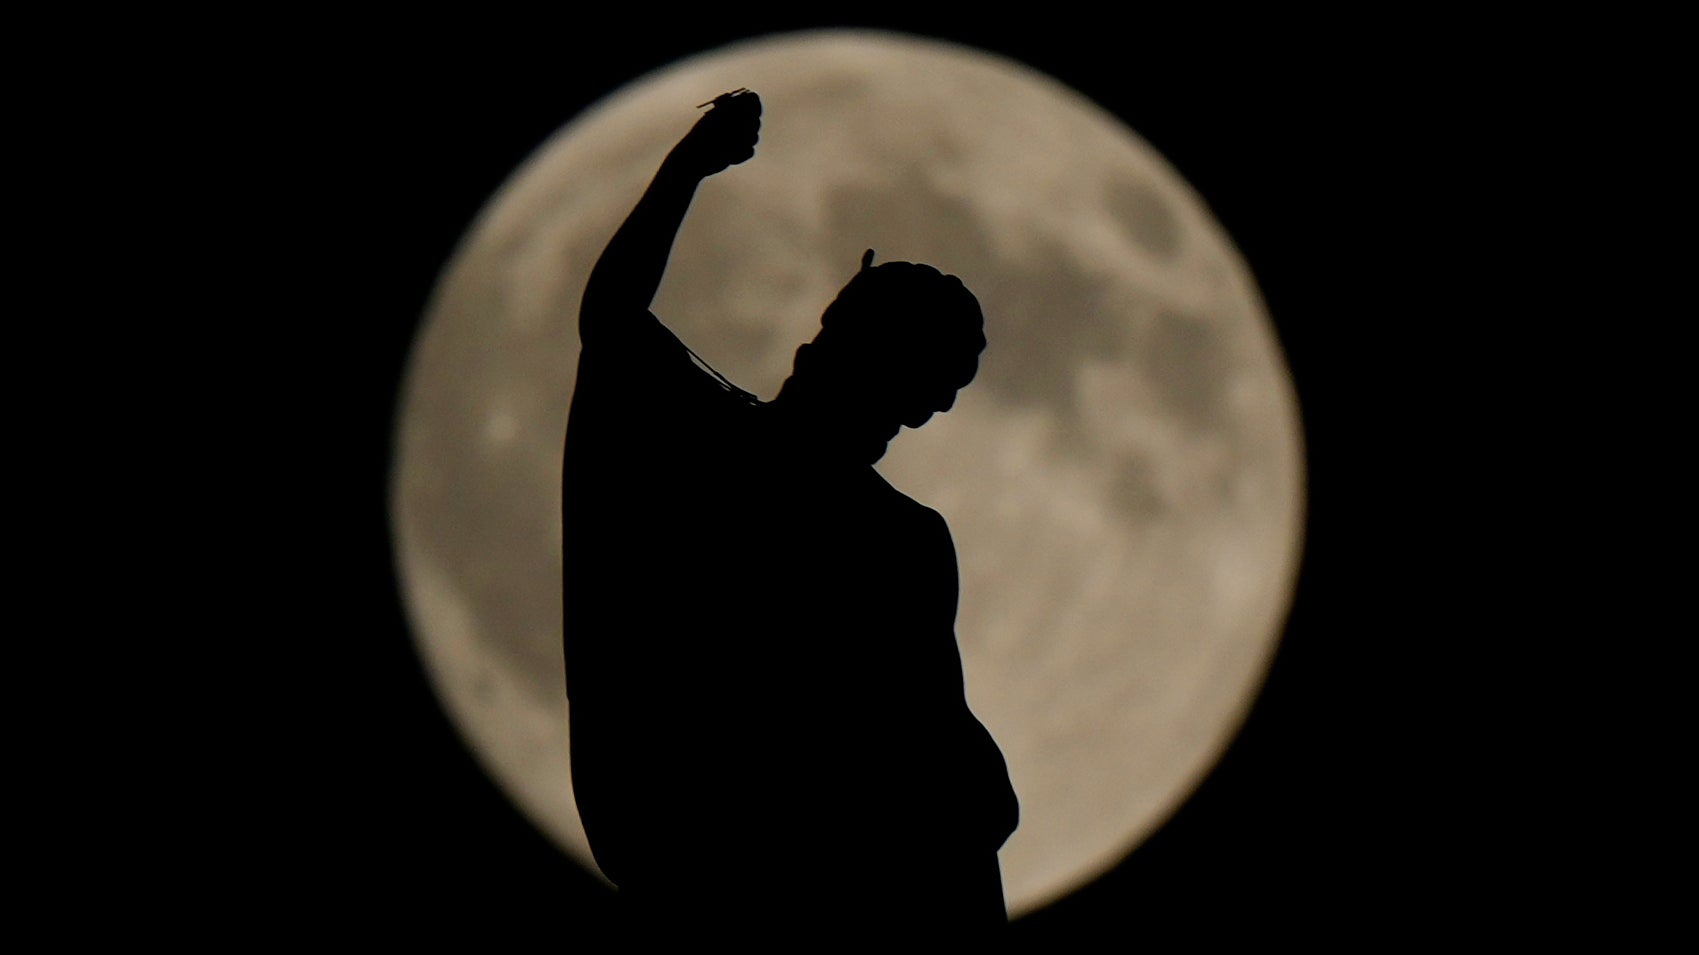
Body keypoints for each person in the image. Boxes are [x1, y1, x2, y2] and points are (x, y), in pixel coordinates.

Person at [562, 89, 1018, 941]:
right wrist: (687, 168)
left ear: (920, 404)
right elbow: (614, 322)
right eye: (856, 339)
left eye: (903, 373)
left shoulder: (906, 541)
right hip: (725, 864)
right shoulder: (713, 439)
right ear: (824, 338)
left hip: (862, 889)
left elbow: (938, 760)